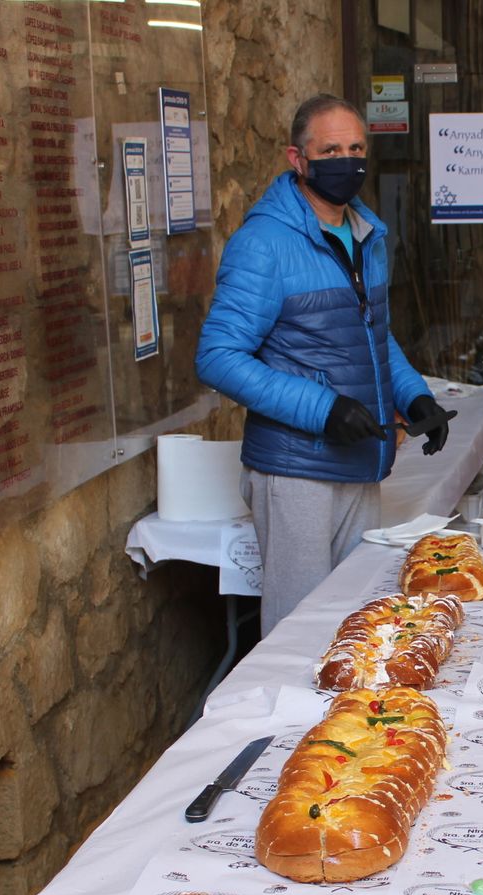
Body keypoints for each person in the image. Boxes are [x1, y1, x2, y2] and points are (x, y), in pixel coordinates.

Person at [197, 94, 450, 635]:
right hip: (297, 470)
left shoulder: (365, 234)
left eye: (357, 147)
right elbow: (217, 356)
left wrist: (413, 395)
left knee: (354, 623)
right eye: (330, 149)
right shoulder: (263, 244)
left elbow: (372, 334)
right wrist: (323, 408)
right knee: (298, 632)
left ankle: (345, 723)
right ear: (297, 158)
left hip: (360, 461)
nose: (347, 160)